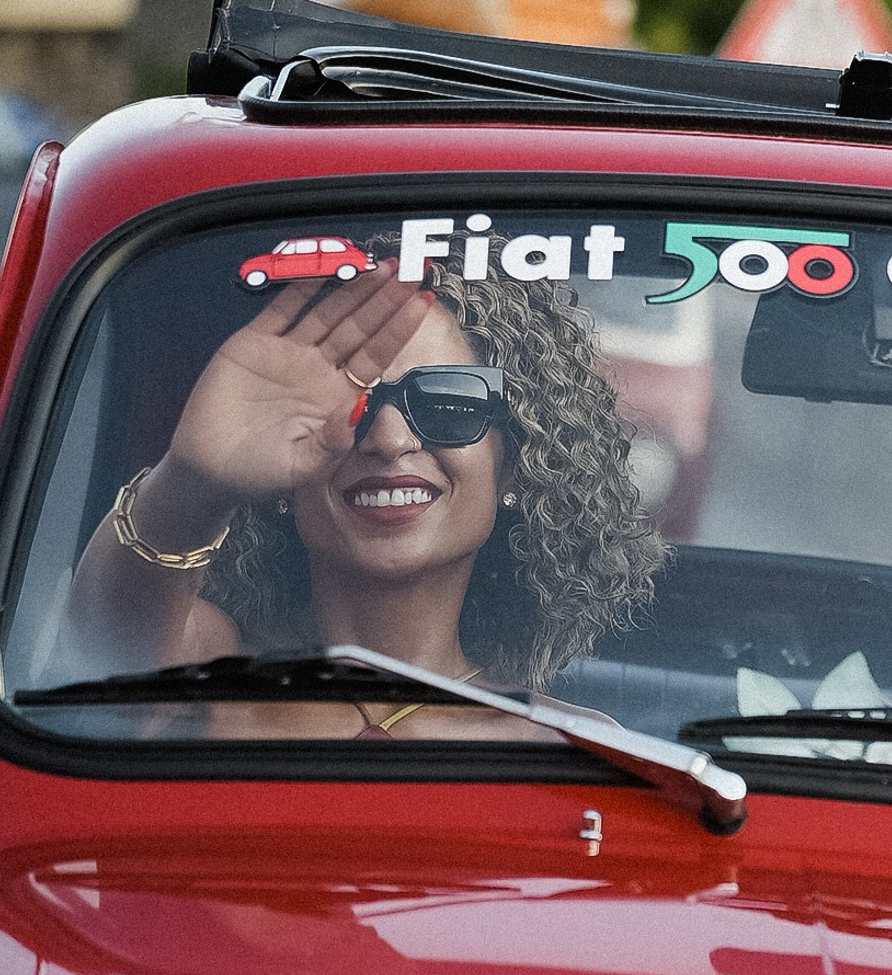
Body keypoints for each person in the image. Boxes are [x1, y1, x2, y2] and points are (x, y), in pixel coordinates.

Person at [65, 256, 661, 737]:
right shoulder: (205, 667)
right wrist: (194, 482)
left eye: (450, 404)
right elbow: (101, 659)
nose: (388, 439)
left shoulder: (572, 746)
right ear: (281, 484)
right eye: (346, 405)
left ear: (516, 469)